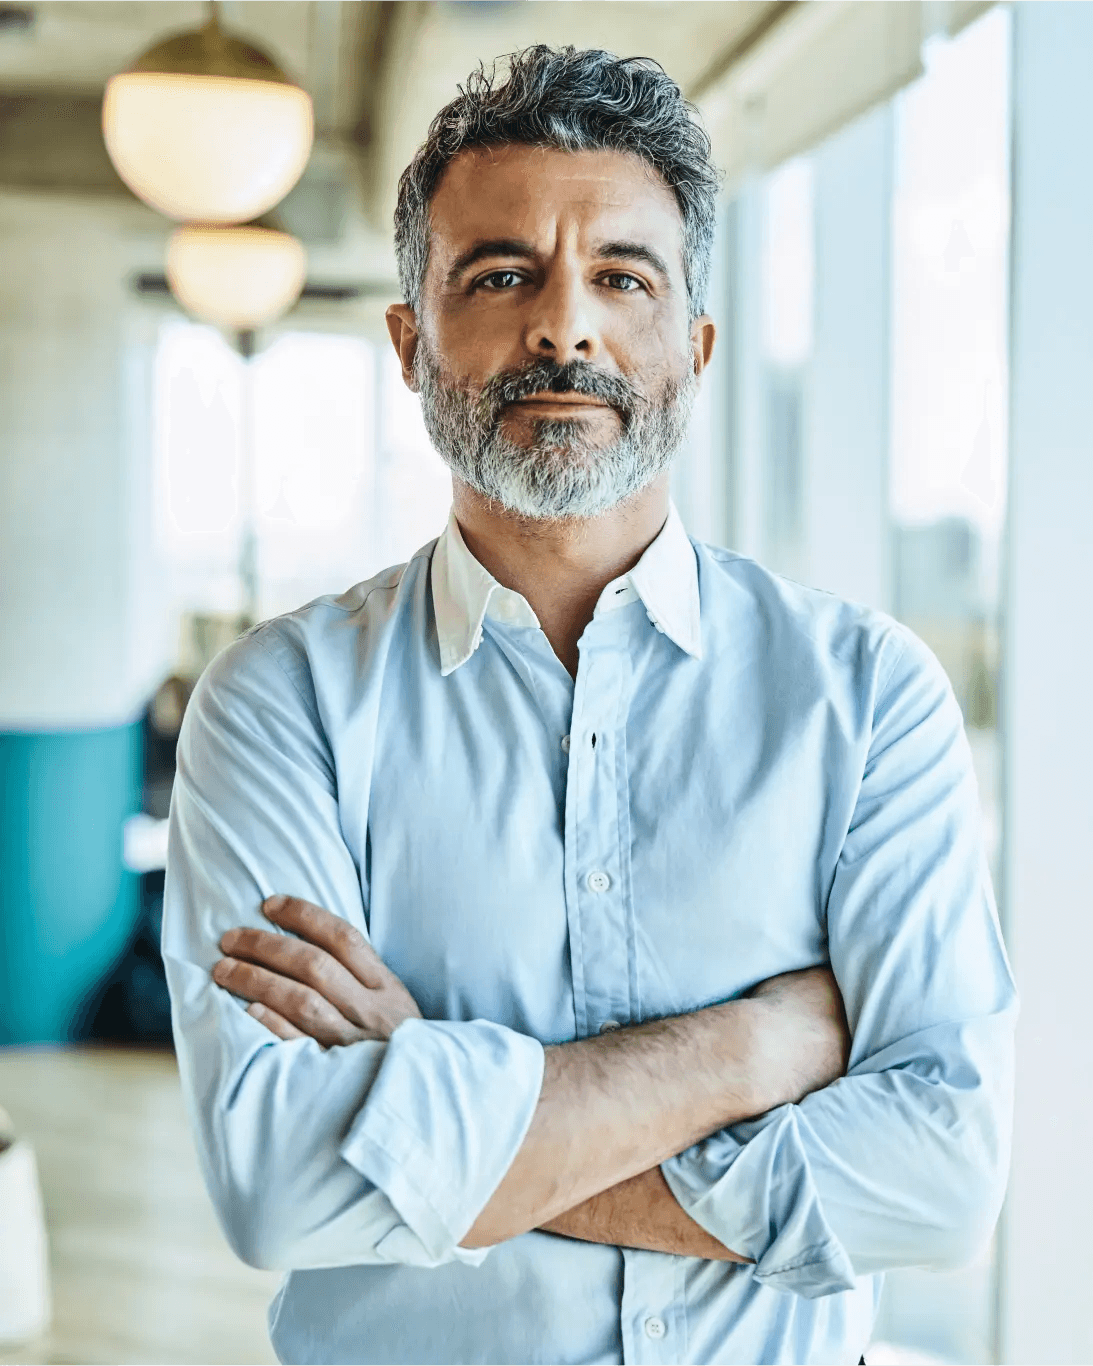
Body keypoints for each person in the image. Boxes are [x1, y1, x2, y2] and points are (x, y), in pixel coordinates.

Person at [162, 46, 1017, 1366]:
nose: (564, 326)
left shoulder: (868, 697)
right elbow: (282, 1185)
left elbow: (943, 1175)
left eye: (623, 276)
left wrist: (437, 1111)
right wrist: (759, 1044)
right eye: (501, 274)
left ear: (696, 343)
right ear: (409, 340)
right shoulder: (281, 706)